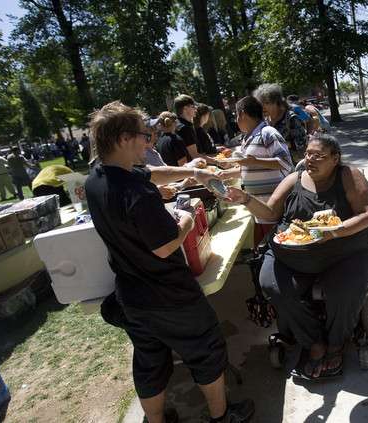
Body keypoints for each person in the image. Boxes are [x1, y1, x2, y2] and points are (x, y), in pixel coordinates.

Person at [85, 101, 254, 423]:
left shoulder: (97, 178)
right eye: (143, 136)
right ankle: (222, 417)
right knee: (206, 349)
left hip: (132, 296)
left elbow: (149, 172)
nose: (148, 142)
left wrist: (195, 172)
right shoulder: (136, 192)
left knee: (150, 360)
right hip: (170, 295)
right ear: (123, 138)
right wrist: (186, 216)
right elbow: (165, 246)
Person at [222, 133, 368, 380]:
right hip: (291, 253)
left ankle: (336, 344)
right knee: (270, 285)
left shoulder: (348, 175)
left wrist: (334, 232)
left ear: (335, 159)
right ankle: (314, 342)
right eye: (307, 153)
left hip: (345, 254)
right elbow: (270, 213)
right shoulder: (294, 178)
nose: (310, 159)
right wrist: (245, 199)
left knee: (344, 289)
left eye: (318, 155)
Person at [216, 96, 293, 245]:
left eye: (235, 115)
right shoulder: (248, 138)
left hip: (274, 209)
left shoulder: (268, 133)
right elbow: (251, 167)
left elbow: (285, 163)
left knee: (280, 246)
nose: (236, 119)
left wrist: (254, 161)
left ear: (242, 114)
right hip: (260, 209)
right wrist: (227, 173)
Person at [254, 84, 307, 159]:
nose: (263, 107)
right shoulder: (264, 121)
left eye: (267, 103)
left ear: (277, 103)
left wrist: (276, 144)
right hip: (272, 164)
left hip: (292, 165)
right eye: (260, 104)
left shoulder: (291, 119)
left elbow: (301, 144)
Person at [174, 94, 207, 162]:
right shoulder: (185, 128)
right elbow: (195, 155)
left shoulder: (178, 124)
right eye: (193, 106)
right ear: (185, 108)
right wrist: (217, 161)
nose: (196, 108)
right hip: (192, 168)